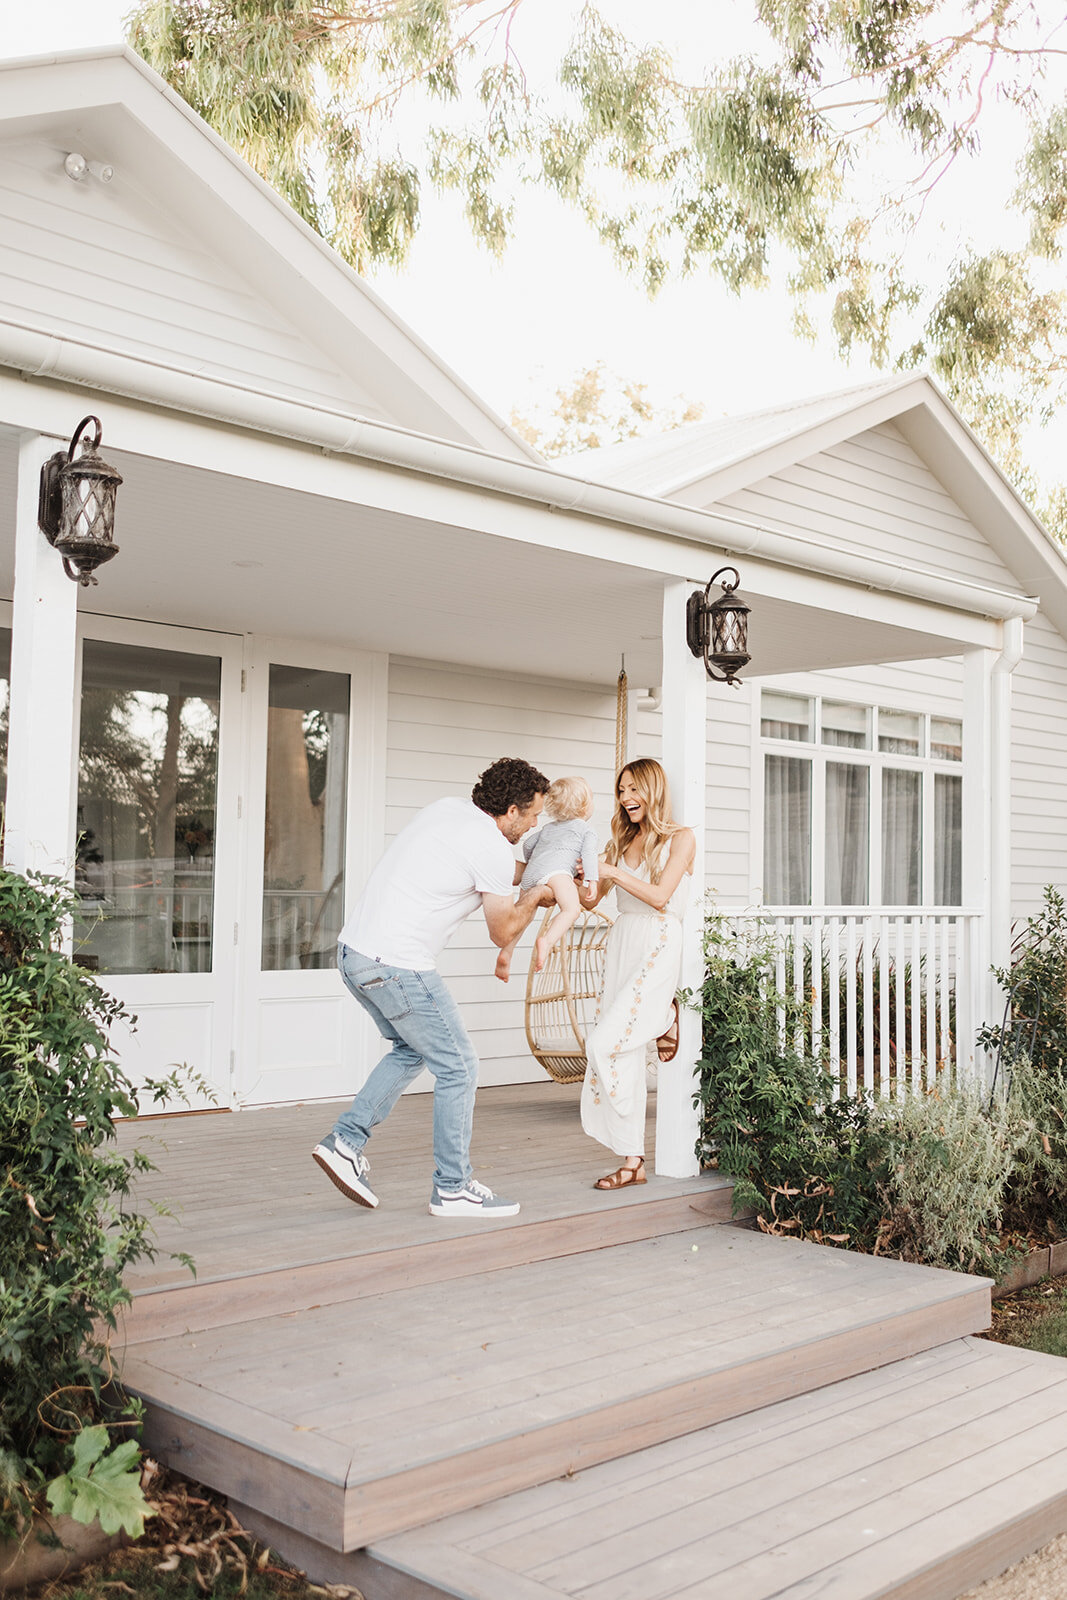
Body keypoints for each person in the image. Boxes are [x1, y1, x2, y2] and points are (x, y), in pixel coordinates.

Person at [312, 757, 552, 1219]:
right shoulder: (492, 848)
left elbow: (497, 869)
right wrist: (540, 895)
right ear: (511, 812)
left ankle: (345, 1141)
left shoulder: (450, 810)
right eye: (534, 814)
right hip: (398, 965)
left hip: (355, 955)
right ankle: (453, 1187)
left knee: (411, 1050)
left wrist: (540, 874)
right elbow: (503, 931)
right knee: (459, 1066)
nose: (536, 823)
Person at [577, 758, 695, 1191]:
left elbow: (662, 896)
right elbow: (590, 900)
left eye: (632, 789)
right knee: (619, 1052)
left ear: (652, 789)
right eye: (621, 790)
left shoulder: (680, 839)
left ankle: (664, 1017)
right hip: (623, 941)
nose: (625, 798)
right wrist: (580, 875)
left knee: (603, 1041)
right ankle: (633, 1162)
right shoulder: (619, 843)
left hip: (658, 941)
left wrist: (610, 872)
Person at [494, 775, 599, 983]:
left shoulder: (548, 829)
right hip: (558, 872)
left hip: (532, 873)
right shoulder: (585, 829)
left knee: (525, 913)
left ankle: (507, 951)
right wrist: (592, 880)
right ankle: (547, 941)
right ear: (585, 806)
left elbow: (527, 845)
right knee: (571, 909)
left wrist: (536, 864)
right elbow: (589, 855)